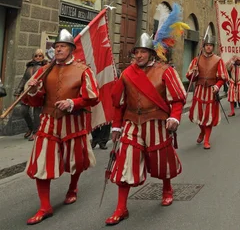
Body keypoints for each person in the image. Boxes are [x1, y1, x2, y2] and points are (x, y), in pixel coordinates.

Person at [105, 33, 186, 225]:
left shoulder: (165, 71)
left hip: (157, 122)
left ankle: (167, 188)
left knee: (162, 160)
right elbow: (119, 104)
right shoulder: (127, 74)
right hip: (132, 123)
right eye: (137, 52)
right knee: (124, 163)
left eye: (143, 52)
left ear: (151, 54)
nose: (139, 55)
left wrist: (174, 117)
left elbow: (177, 99)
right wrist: (116, 126)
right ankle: (121, 208)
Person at [22, 30, 99, 225]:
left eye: (62, 46)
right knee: (41, 162)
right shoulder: (45, 69)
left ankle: (73, 187)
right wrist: (32, 90)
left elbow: (93, 97)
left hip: (73, 122)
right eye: (56, 47)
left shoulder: (83, 70)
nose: (58, 49)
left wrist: (73, 103)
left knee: (76, 160)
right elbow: (36, 100)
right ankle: (45, 206)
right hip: (48, 121)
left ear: (71, 49)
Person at [186, 35, 227, 149]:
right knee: (198, 115)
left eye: (210, 45)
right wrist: (194, 73)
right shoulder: (196, 59)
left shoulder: (218, 60)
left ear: (213, 47)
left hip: (211, 91)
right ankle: (202, 132)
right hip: (199, 90)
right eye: (207, 45)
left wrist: (217, 86)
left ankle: (207, 140)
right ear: (203, 46)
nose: (208, 47)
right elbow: (190, 78)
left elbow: (223, 78)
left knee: (209, 116)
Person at [14, 49, 47, 141]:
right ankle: (30, 127)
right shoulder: (29, 67)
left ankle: (36, 132)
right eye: (36, 56)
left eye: (40, 56)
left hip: (38, 92)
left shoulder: (45, 67)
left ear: (43, 57)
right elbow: (24, 79)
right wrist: (18, 91)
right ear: (33, 57)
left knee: (37, 114)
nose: (38, 57)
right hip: (26, 92)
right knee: (23, 111)